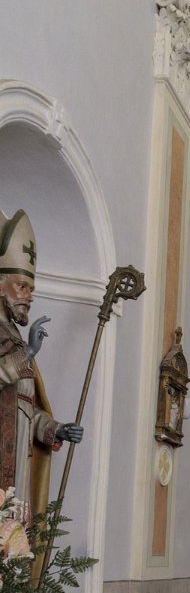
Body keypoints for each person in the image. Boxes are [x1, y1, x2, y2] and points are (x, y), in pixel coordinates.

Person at [0, 209, 83, 523]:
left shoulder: (16, 338)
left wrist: (55, 428)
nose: (29, 297)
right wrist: (29, 354)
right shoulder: (20, 346)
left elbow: (25, 408)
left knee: (14, 544)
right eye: (22, 287)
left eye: (31, 290)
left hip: (17, 474)